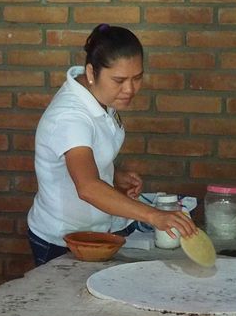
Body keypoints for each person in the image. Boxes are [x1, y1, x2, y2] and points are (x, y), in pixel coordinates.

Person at [27, 24, 196, 266]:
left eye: (137, 78)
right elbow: (88, 187)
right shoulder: (70, 116)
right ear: (91, 72)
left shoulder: (101, 96)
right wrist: (154, 216)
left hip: (96, 231)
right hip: (61, 241)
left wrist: (114, 175)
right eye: (119, 80)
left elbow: (82, 158)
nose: (129, 89)